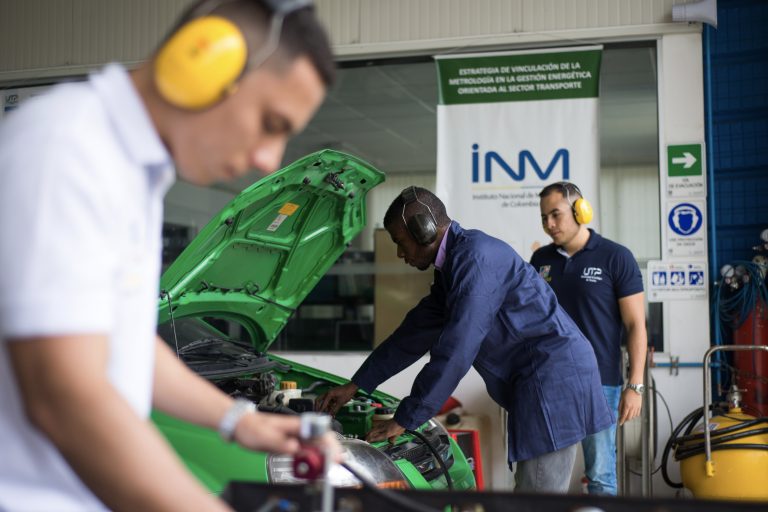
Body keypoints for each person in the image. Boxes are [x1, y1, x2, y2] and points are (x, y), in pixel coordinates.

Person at [0, 1, 339, 511]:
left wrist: (241, 421)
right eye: (271, 122)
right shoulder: (65, 150)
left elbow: (126, 341)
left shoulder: (131, 173)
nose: (269, 159)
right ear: (202, 62)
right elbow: (64, 396)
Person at [316, 186, 613, 493]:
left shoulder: (476, 261)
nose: (400, 253)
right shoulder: (454, 268)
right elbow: (411, 335)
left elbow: (457, 349)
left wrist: (407, 417)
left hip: (554, 380)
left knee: (535, 500)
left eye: (399, 242)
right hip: (544, 379)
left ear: (423, 230)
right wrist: (357, 384)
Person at [531, 181, 647, 496]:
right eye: (544, 218)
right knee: (546, 475)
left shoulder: (615, 257)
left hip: (600, 382)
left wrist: (634, 386)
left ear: (581, 210)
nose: (549, 224)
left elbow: (636, 325)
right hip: (550, 383)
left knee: (600, 475)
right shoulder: (540, 260)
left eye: (555, 214)